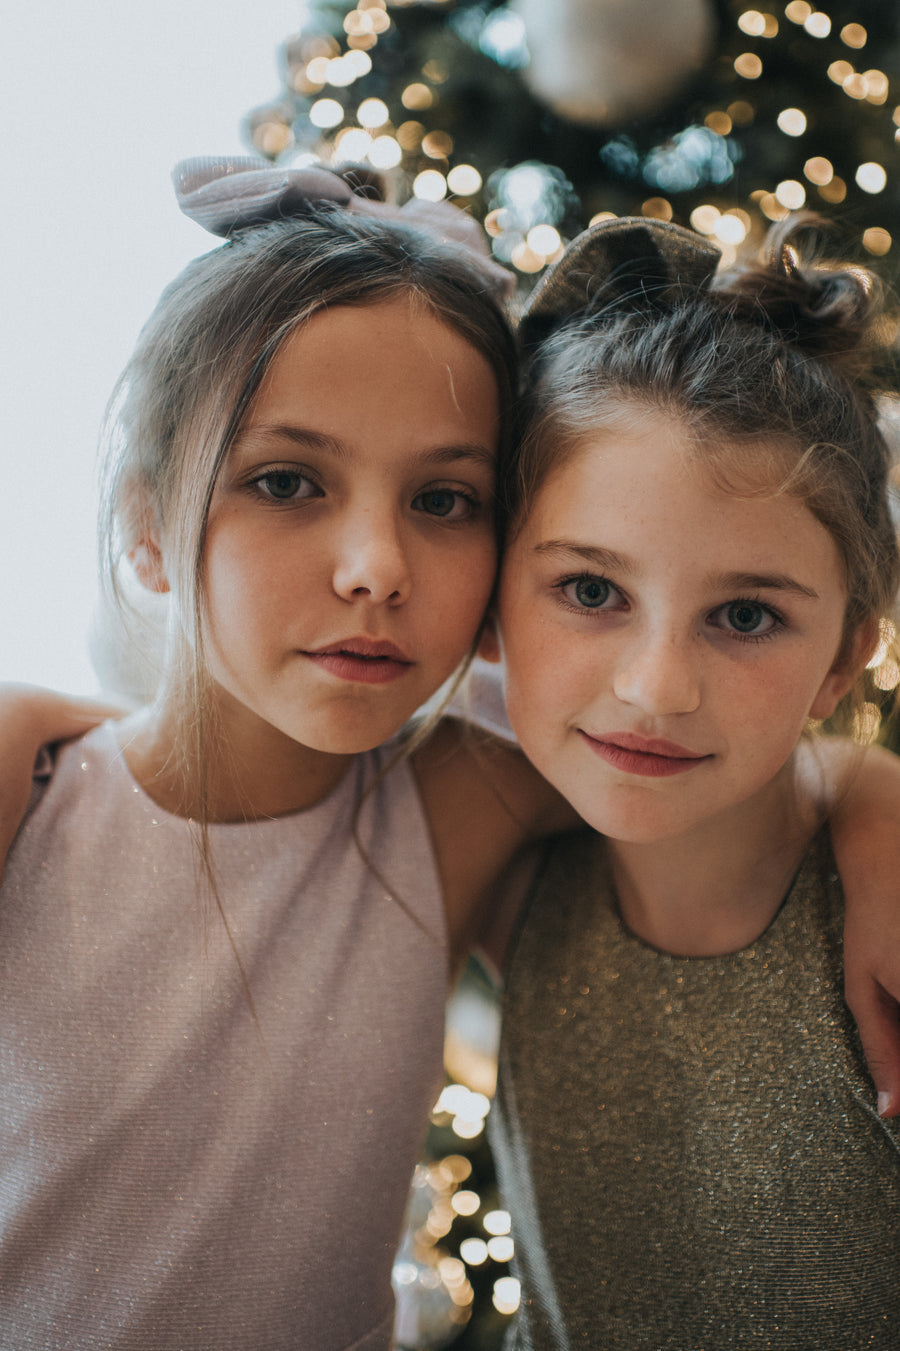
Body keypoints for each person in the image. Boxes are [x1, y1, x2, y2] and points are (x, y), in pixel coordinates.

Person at [2, 168, 900, 1347]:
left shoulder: (464, 799)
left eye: (442, 499)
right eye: (286, 481)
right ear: (145, 527)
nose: (376, 564)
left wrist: (873, 793)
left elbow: (721, 740)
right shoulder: (31, 775)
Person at [487, 215, 900, 1348]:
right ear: (489, 601)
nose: (658, 686)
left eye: (748, 615)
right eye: (589, 590)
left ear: (842, 658)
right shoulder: (491, 867)